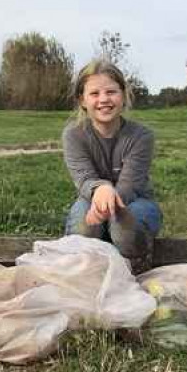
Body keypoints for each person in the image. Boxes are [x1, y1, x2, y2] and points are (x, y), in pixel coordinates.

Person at [63, 59, 162, 273]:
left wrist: (106, 204)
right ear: (82, 100)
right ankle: (84, 278)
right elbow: (84, 178)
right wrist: (101, 189)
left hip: (135, 201)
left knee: (122, 223)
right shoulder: (74, 134)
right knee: (83, 224)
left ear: (123, 95)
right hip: (90, 200)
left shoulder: (141, 136)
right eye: (94, 94)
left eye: (111, 92)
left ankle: (136, 273)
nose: (104, 100)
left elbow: (128, 186)